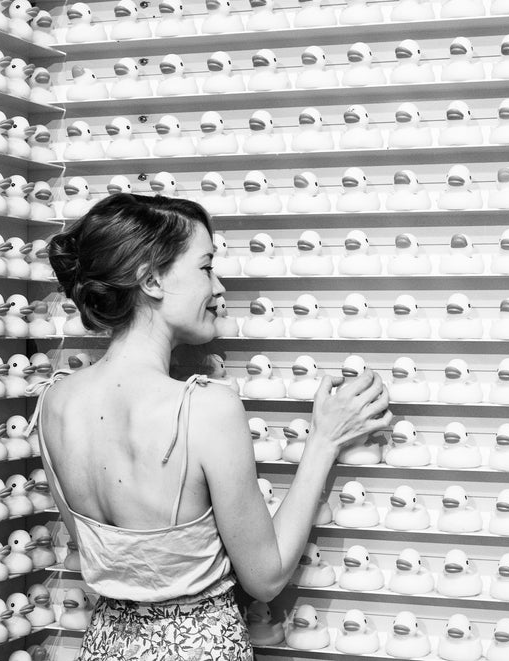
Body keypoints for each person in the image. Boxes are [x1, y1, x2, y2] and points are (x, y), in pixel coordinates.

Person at [32, 193, 391, 660]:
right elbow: (265, 577)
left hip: (105, 645)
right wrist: (323, 442)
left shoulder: (54, 402)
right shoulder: (205, 408)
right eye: (206, 267)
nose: (219, 287)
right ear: (153, 280)